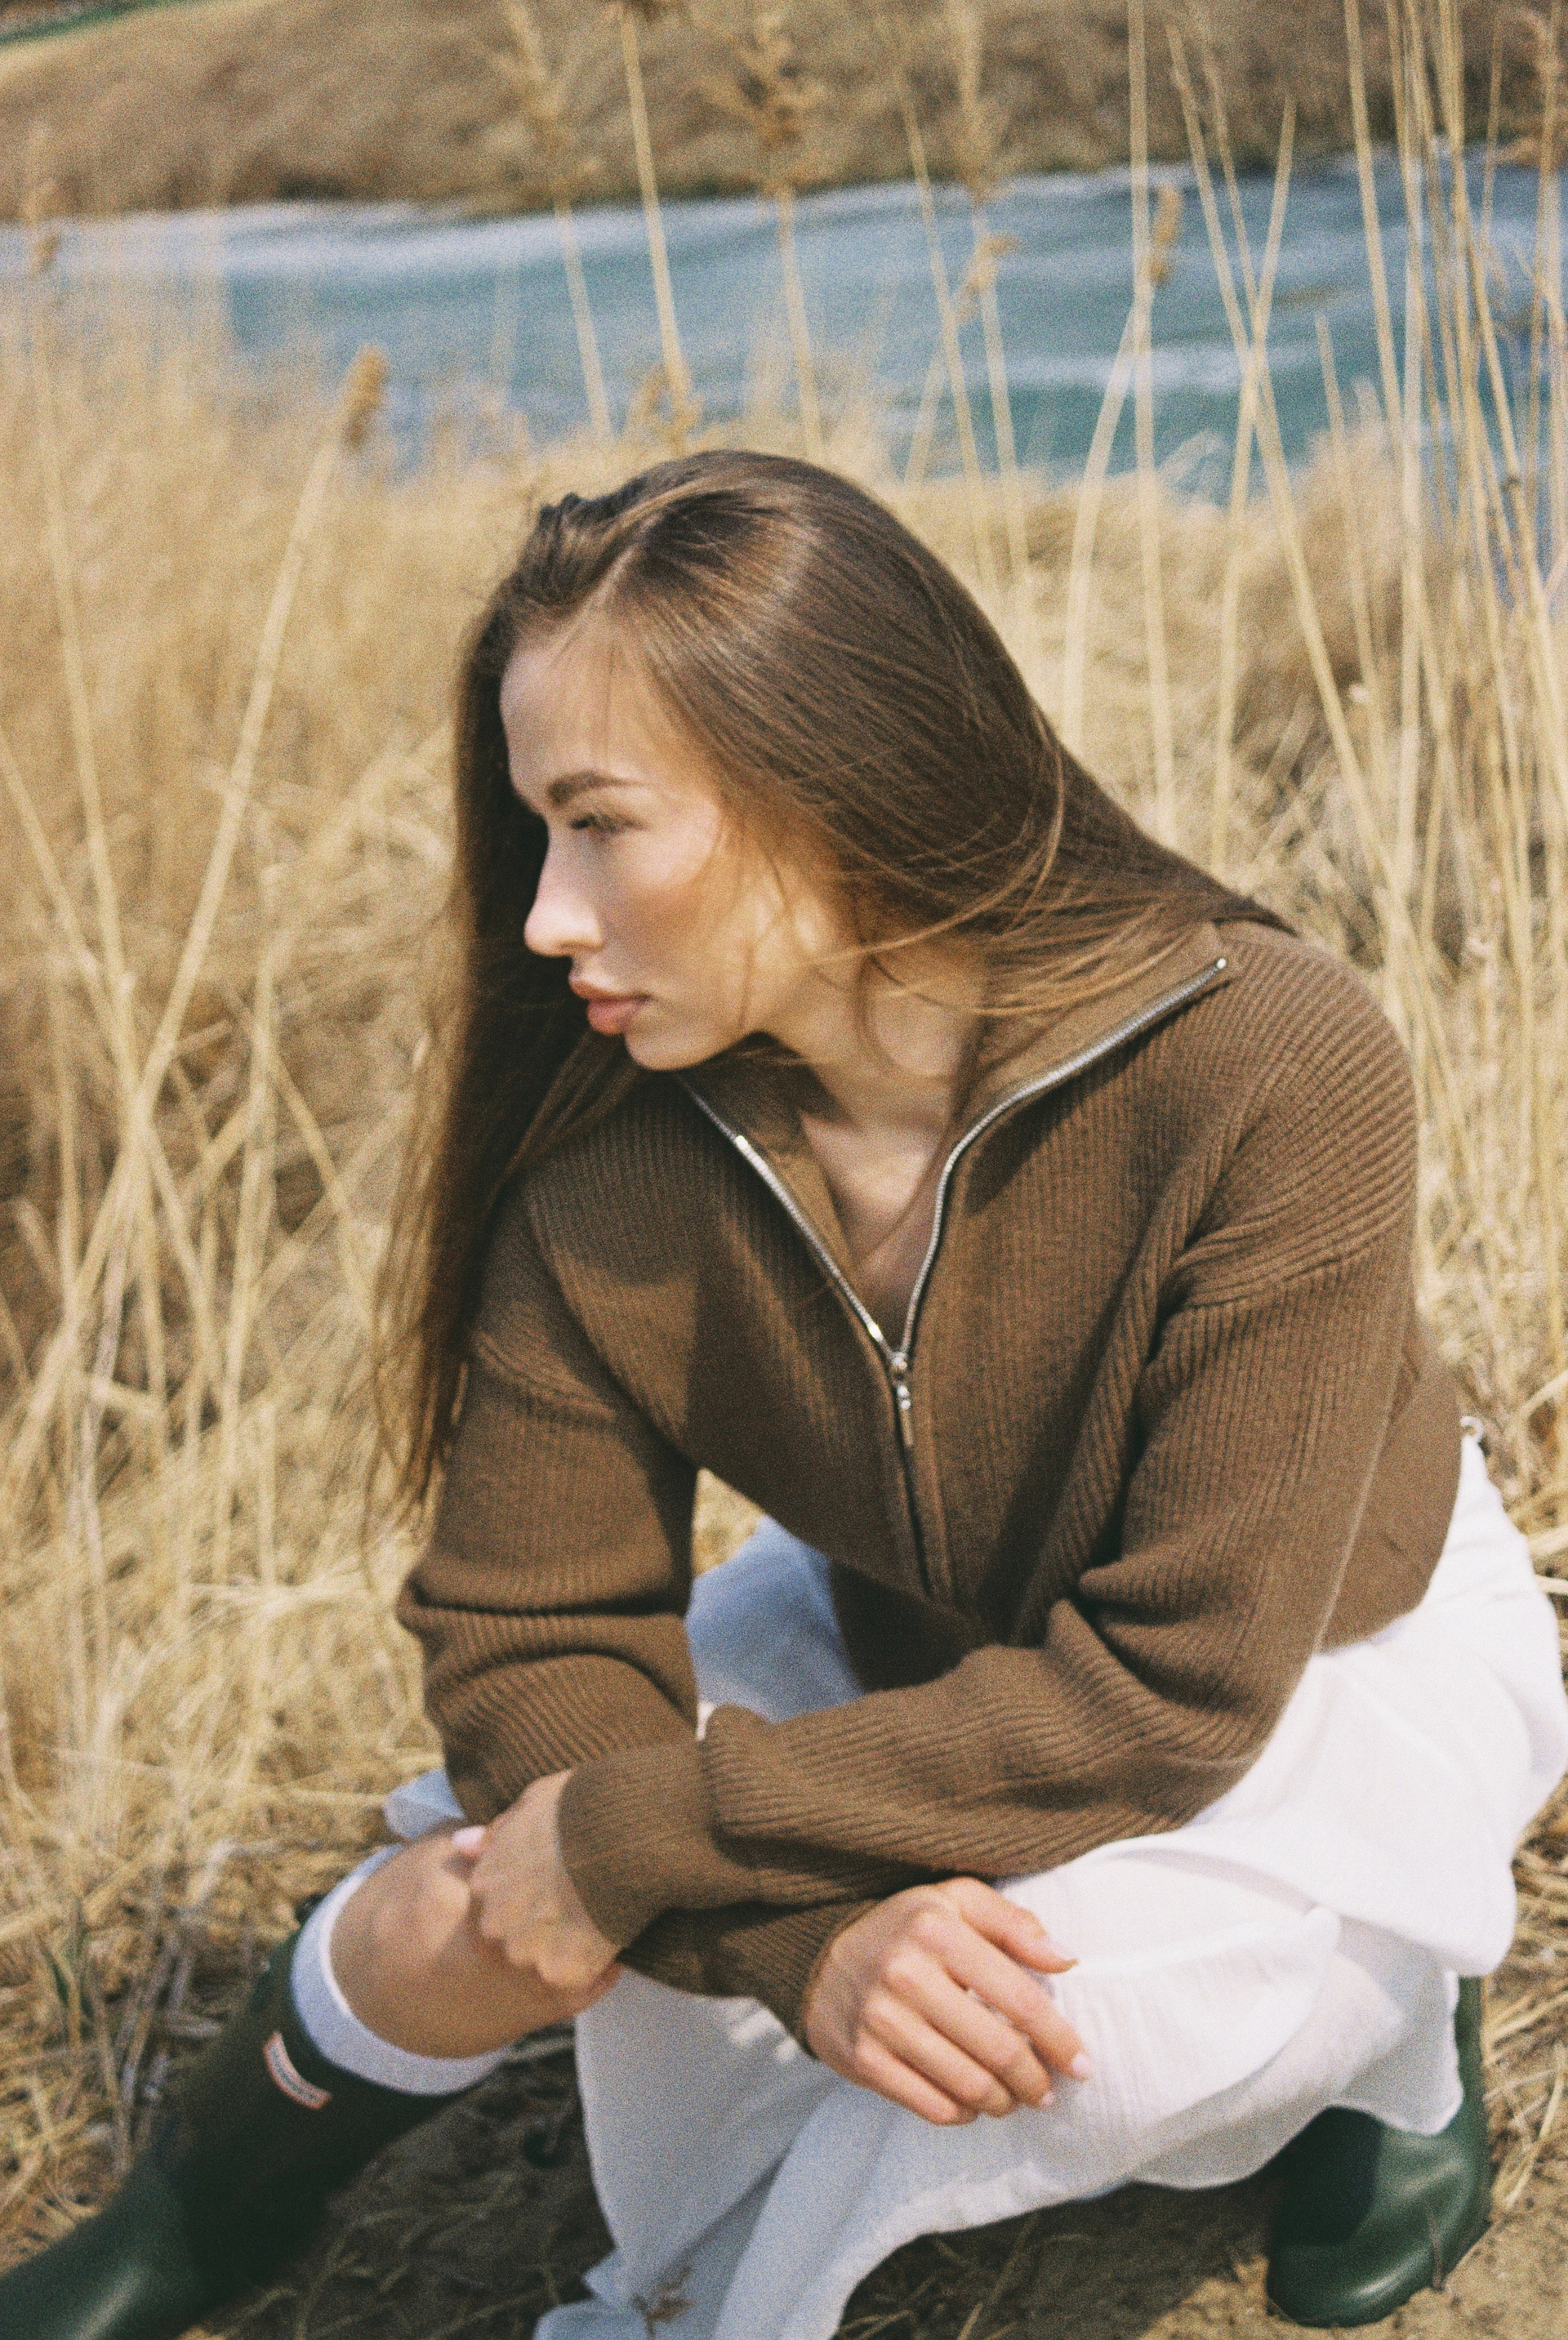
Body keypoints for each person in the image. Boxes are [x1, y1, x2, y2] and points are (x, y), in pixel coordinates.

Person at [5, 452, 1565, 2340]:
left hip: (1310, 1666)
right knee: (462, 1899)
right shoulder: (613, 1161)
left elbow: (1173, 1689)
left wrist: (636, 1837)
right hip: (920, 1642)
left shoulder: (1267, 1059)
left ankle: (1402, 2018)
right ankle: (189, 2217)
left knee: (1050, 2034)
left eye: (602, 825)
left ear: (833, 780)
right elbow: (525, 1641)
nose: (545, 914)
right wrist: (803, 1941)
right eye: (537, 830)